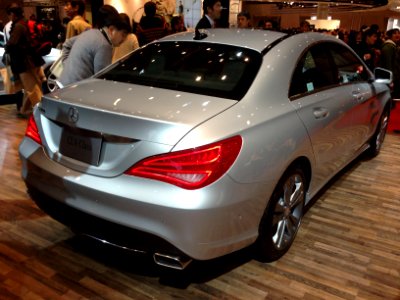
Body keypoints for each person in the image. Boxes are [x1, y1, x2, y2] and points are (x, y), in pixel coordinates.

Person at [59, 5, 131, 86]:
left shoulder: (91, 32)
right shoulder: (104, 45)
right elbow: (102, 82)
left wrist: (68, 66)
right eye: (123, 35)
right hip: (75, 91)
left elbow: (67, 43)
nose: (124, 40)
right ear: (111, 30)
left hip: (63, 85)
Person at [4, 6, 46, 117]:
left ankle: (43, 111)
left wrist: (6, 47)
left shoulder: (18, 26)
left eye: (10, 13)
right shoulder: (24, 23)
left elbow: (12, 43)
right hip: (32, 60)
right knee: (31, 87)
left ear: (15, 14)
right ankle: (24, 110)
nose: (9, 16)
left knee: (32, 88)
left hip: (25, 62)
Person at [380, 28, 400, 102]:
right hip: (390, 77)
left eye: (398, 33)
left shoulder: (394, 46)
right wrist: (390, 79)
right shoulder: (388, 47)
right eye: (395, 33)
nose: (397, 35)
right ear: (390, 36)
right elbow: (388, 64)